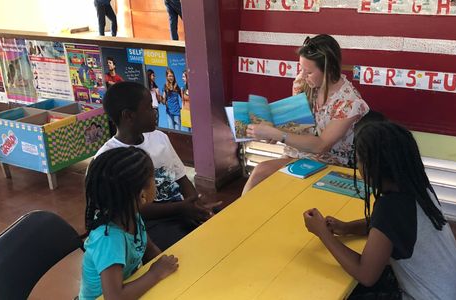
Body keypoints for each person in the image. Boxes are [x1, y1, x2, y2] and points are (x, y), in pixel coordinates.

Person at [303, 122, 456, 299]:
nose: (357, 167)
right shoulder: (419, 188)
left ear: (373, 167)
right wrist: (346, 228)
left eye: (358, 160)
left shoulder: (390, 209)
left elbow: (366, 275)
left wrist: (323, 233)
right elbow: (386, 230)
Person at [97, 81, 220, 250]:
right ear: (128, 116)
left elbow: (181, 178)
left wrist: (195, 205)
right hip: (149, 223)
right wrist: (182, 209)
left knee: (222, 221)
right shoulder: (109, 158)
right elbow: (132, 211)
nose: (155, 111)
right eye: (149, 107)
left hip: (180, 209)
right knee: (187, 248)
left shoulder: (159, 137)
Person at [243, 34, 370, 194]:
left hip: (330, 163)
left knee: (268, 177)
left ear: (329, 70)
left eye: (308, 71)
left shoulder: (349, 102)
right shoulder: (303, 84)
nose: (302, 75)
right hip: (296, 155)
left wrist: (279, 134)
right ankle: (233, 218)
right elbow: (296, 124)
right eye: (301, 68)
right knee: (259, 173)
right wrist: (274, 130)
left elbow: (321, 146)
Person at [79, 147, 179, 300]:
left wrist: (165, 269)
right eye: (153, 177)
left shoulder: (132, 216)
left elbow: (149, 250)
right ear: (142, 195)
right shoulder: (109, 239)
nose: (156, 182)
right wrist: (155, 274)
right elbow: (114, 297)